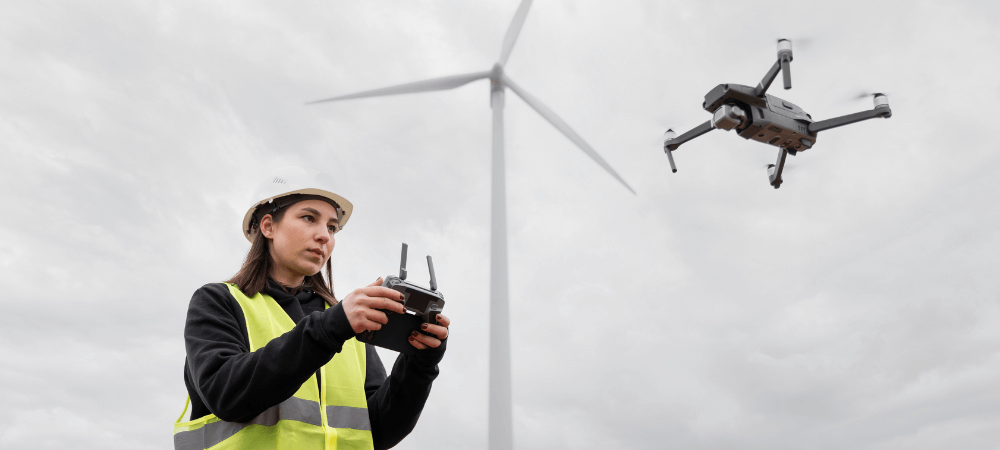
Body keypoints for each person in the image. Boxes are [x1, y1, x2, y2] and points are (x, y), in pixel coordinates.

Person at [174, 166, 450, 450]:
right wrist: (333, 326)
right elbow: (227, 396)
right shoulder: (218, 301)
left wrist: (419, 366)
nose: (325, 236)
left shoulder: (346, 321)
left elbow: (378, 432)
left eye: (332, 227)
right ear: (268, 226)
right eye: (309, 218)